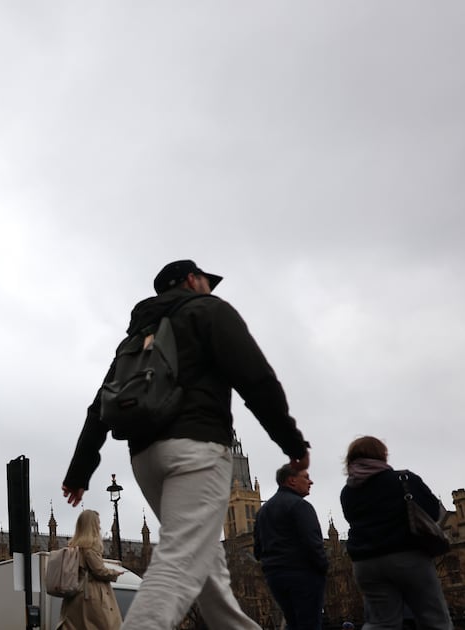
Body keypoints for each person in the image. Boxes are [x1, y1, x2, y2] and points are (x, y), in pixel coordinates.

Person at [62, 259, 311, 630]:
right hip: (196, 449)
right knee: (178, 561)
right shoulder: (208, 311)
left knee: (210, 573)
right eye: (207, 282)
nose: (210, 288)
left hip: (145, 459)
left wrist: (80, 471)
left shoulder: (136, 336)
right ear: (193, 281)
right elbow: (256, 378)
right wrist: (291, 440)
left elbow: (100, 404)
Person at [339, 436, 452, 630]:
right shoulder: (403, 479)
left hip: (365, 563)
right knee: (434, 620)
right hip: (407, 556)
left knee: (381, 623)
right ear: (382, 455)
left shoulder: (348, 491)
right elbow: (433, 511)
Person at [253, 464, 327, 630]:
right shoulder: (300, 506)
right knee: (309, 624)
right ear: (292, 481)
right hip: (303, 574)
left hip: (274, 576)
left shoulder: (263, 511)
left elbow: (257, 550)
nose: (311, 482)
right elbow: (313, 541)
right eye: (306, 477)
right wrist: (322, 567)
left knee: (292, 622)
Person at [57, 509, 123, 630]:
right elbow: (99, 571)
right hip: (91, 596)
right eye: (97, 523)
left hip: (75, 597)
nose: (99, 526)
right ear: (91, 525)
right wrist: (115, 572)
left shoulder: (74, 547)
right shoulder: (89, 548)